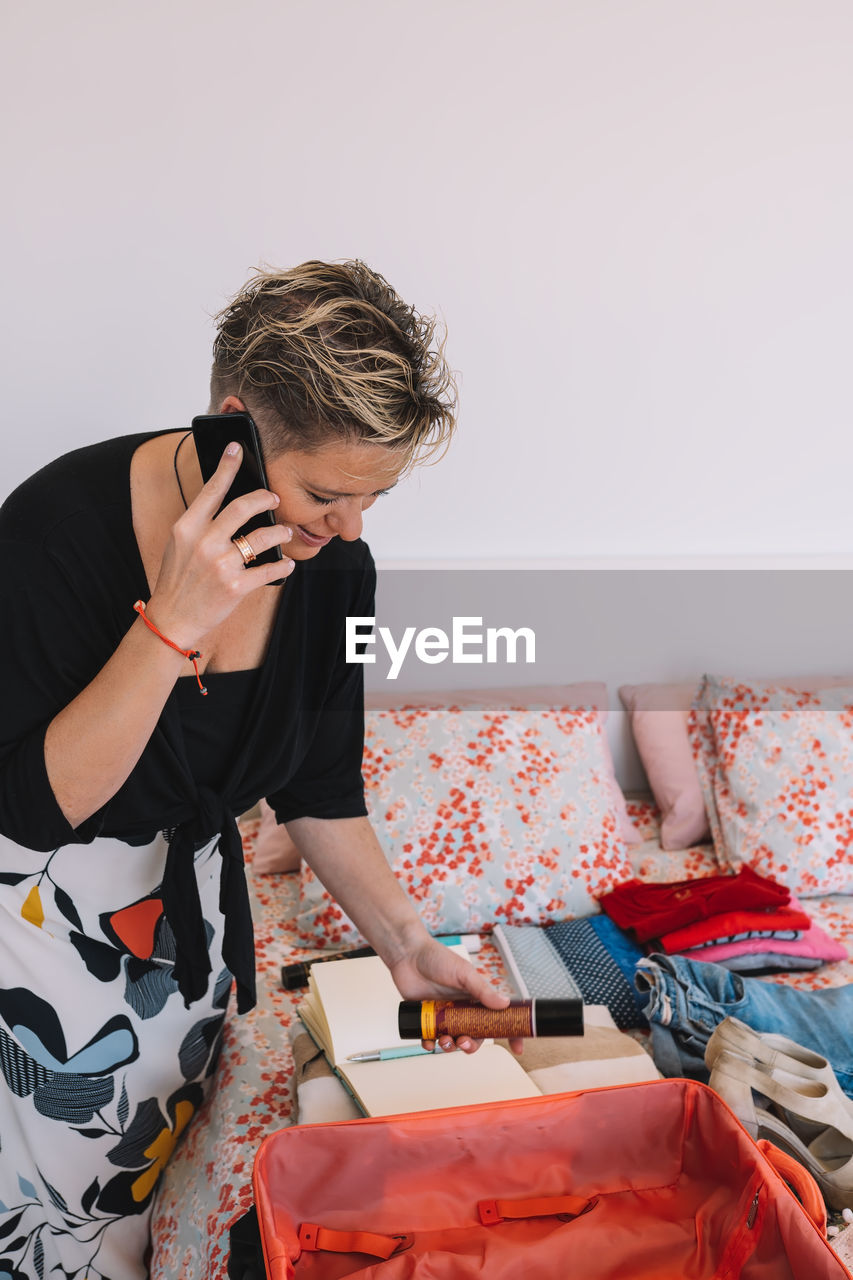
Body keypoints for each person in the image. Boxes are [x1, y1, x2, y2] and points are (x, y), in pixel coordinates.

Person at [0, 260, 511, 1280]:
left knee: (141, 1212)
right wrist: (173, 622)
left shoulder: (334, 570)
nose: (349, 529)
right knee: (43, 1230)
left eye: (375, 499)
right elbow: (34, 804)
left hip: (188, 928)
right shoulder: (54, 527)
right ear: (234, 422)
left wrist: (405, 945)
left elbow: (318, 784)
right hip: (39, 937)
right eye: (326, 491)